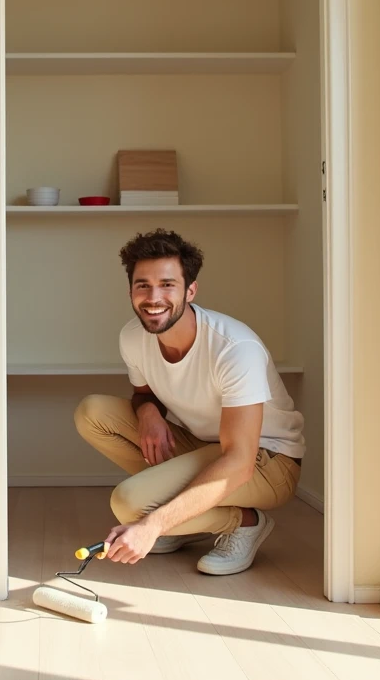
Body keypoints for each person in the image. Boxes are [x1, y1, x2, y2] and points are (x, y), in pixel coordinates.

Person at [73, 228, 306, 575]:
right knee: (93, 412)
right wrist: (149, 411)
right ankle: (185, 519)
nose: (154, 297)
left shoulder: (234, 349)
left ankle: (242, 523)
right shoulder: (133, 337)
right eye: (143, 285)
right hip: (204, 445)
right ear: (131, 291)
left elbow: (240, 462)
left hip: (265, 460)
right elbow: (143, 394)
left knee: (129, 504)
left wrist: (151, 525)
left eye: (167, 284)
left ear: (190, 290)